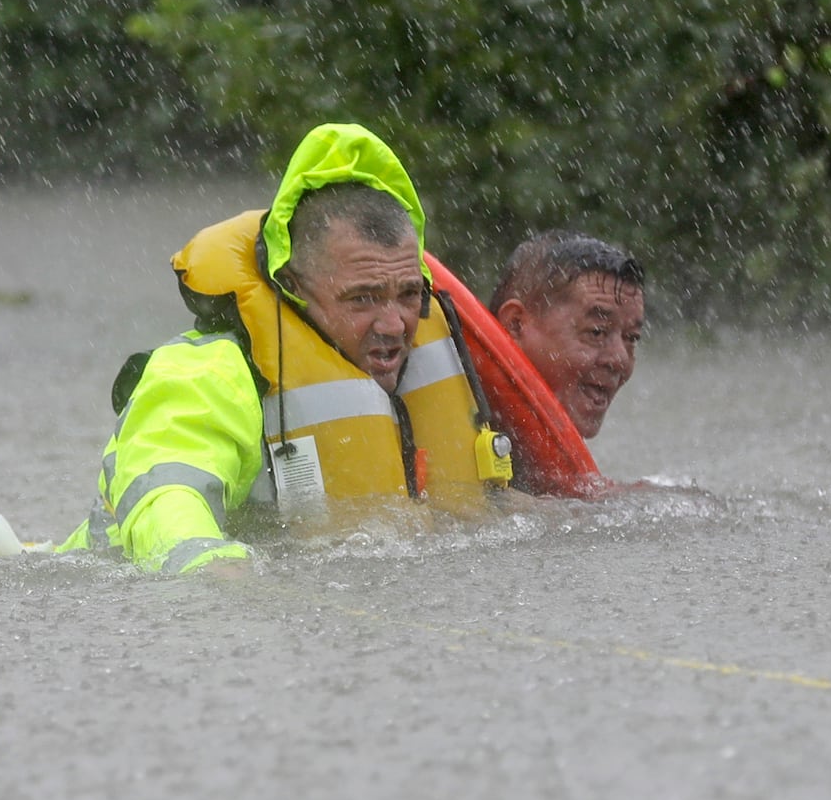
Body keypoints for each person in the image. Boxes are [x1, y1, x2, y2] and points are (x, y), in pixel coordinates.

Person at [55, 123, 513, 574]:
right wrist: (207, 562)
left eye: (409, 294)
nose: (396, 325)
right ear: (291, 286)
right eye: (363, 298)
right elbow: (166, 492)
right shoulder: (207, 374)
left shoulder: (431, 360)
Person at [452, 230, 643, 496]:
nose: (620, 359)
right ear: (515, 324)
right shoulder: (449, 425)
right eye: (597, 332)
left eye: (632, 338)